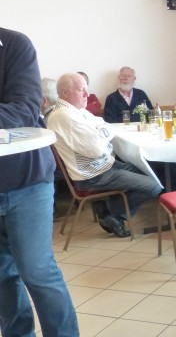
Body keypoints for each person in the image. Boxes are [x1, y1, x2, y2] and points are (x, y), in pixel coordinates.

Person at [0, 27, 85, 337]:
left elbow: (22, 109)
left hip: (26, 179)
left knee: (36, 269)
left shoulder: (14, 45)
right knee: (1, 274)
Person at [48, 73, 161, 237]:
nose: (87, 94)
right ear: (65, 93)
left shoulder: (76, 111)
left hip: (105, 164)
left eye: (87, 89)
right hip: (92, 175)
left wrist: (100, 134)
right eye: (81, 90)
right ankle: (113, 213)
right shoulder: (64, 116)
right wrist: (102, 136)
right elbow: (96, 149)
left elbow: (104, 124)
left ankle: (108, 208)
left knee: (150, 172)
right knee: (153, 186)